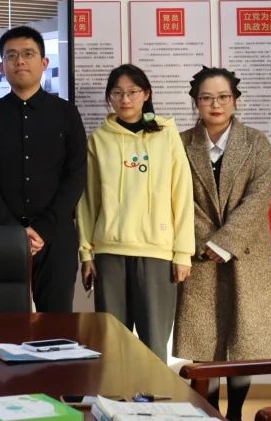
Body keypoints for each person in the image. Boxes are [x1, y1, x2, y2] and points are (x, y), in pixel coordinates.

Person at [173, 67, 271, 421]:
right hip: (200, 255)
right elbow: (176, 198)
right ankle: (209, 413)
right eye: (207, 97)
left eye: (223, 97)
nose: (215, 104)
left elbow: (259, 197)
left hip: (246, 254)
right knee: (203, 342)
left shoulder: (256, 142)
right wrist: (206, 241)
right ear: (196, 102)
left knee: (244, 342)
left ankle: (236, 413)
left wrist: (225, 241)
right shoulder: (180, 143)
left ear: (235, 100)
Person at [77, 64, 194, 362]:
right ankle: (115, 393)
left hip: (156, 252)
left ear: (146, 94)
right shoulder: (99, 139)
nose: (125, 99)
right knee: (111, 343)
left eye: (132, 92)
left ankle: (154, 394)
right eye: (117, 93)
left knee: (154, 344)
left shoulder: (166, 135)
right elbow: (88, 200)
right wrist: (86, 252)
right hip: (109, 252)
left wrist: (183, 252)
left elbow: (182, 193)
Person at [0, 25, 87, 313]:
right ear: (2, 67)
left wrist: (43, 228)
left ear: (44, 62)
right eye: (11, 56)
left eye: (28, 54)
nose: (19, 61)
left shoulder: (66, 113)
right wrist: (13, 231)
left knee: (56, 322)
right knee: (4, 322)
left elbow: (75, 176)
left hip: (56, 236)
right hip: (3, 237)